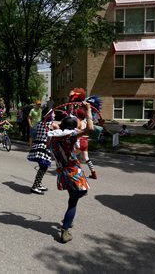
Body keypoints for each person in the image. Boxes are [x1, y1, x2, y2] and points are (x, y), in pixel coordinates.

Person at [48, 101, 94, 243]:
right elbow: (90, 129)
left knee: (73, 198)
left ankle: (68, 219)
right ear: (72, 129)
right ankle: (65, 229)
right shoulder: (70, 137)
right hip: (73, 172)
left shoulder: (54, 138)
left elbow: (56, 125)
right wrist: (88, 110)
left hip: (62, 172)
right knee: (75, 198)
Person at [27, 108, 58, 194]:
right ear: (49, 115)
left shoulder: (39, 124)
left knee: (43, 167)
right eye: (53, 114)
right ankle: (35, 186)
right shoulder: (52, 125)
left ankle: (38, 183)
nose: (54, 115)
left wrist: (31, 146)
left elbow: (32, 135)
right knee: (43, 167)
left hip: (38, 147)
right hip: (44, 148)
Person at [74, 108, 97, 179]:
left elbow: (76, 131)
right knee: (86, 158)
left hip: (80, 140)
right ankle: (93, 172)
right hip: (86, 141)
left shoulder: (79, 122)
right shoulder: (86, 122)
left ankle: (77, 172)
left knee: (72, 157)